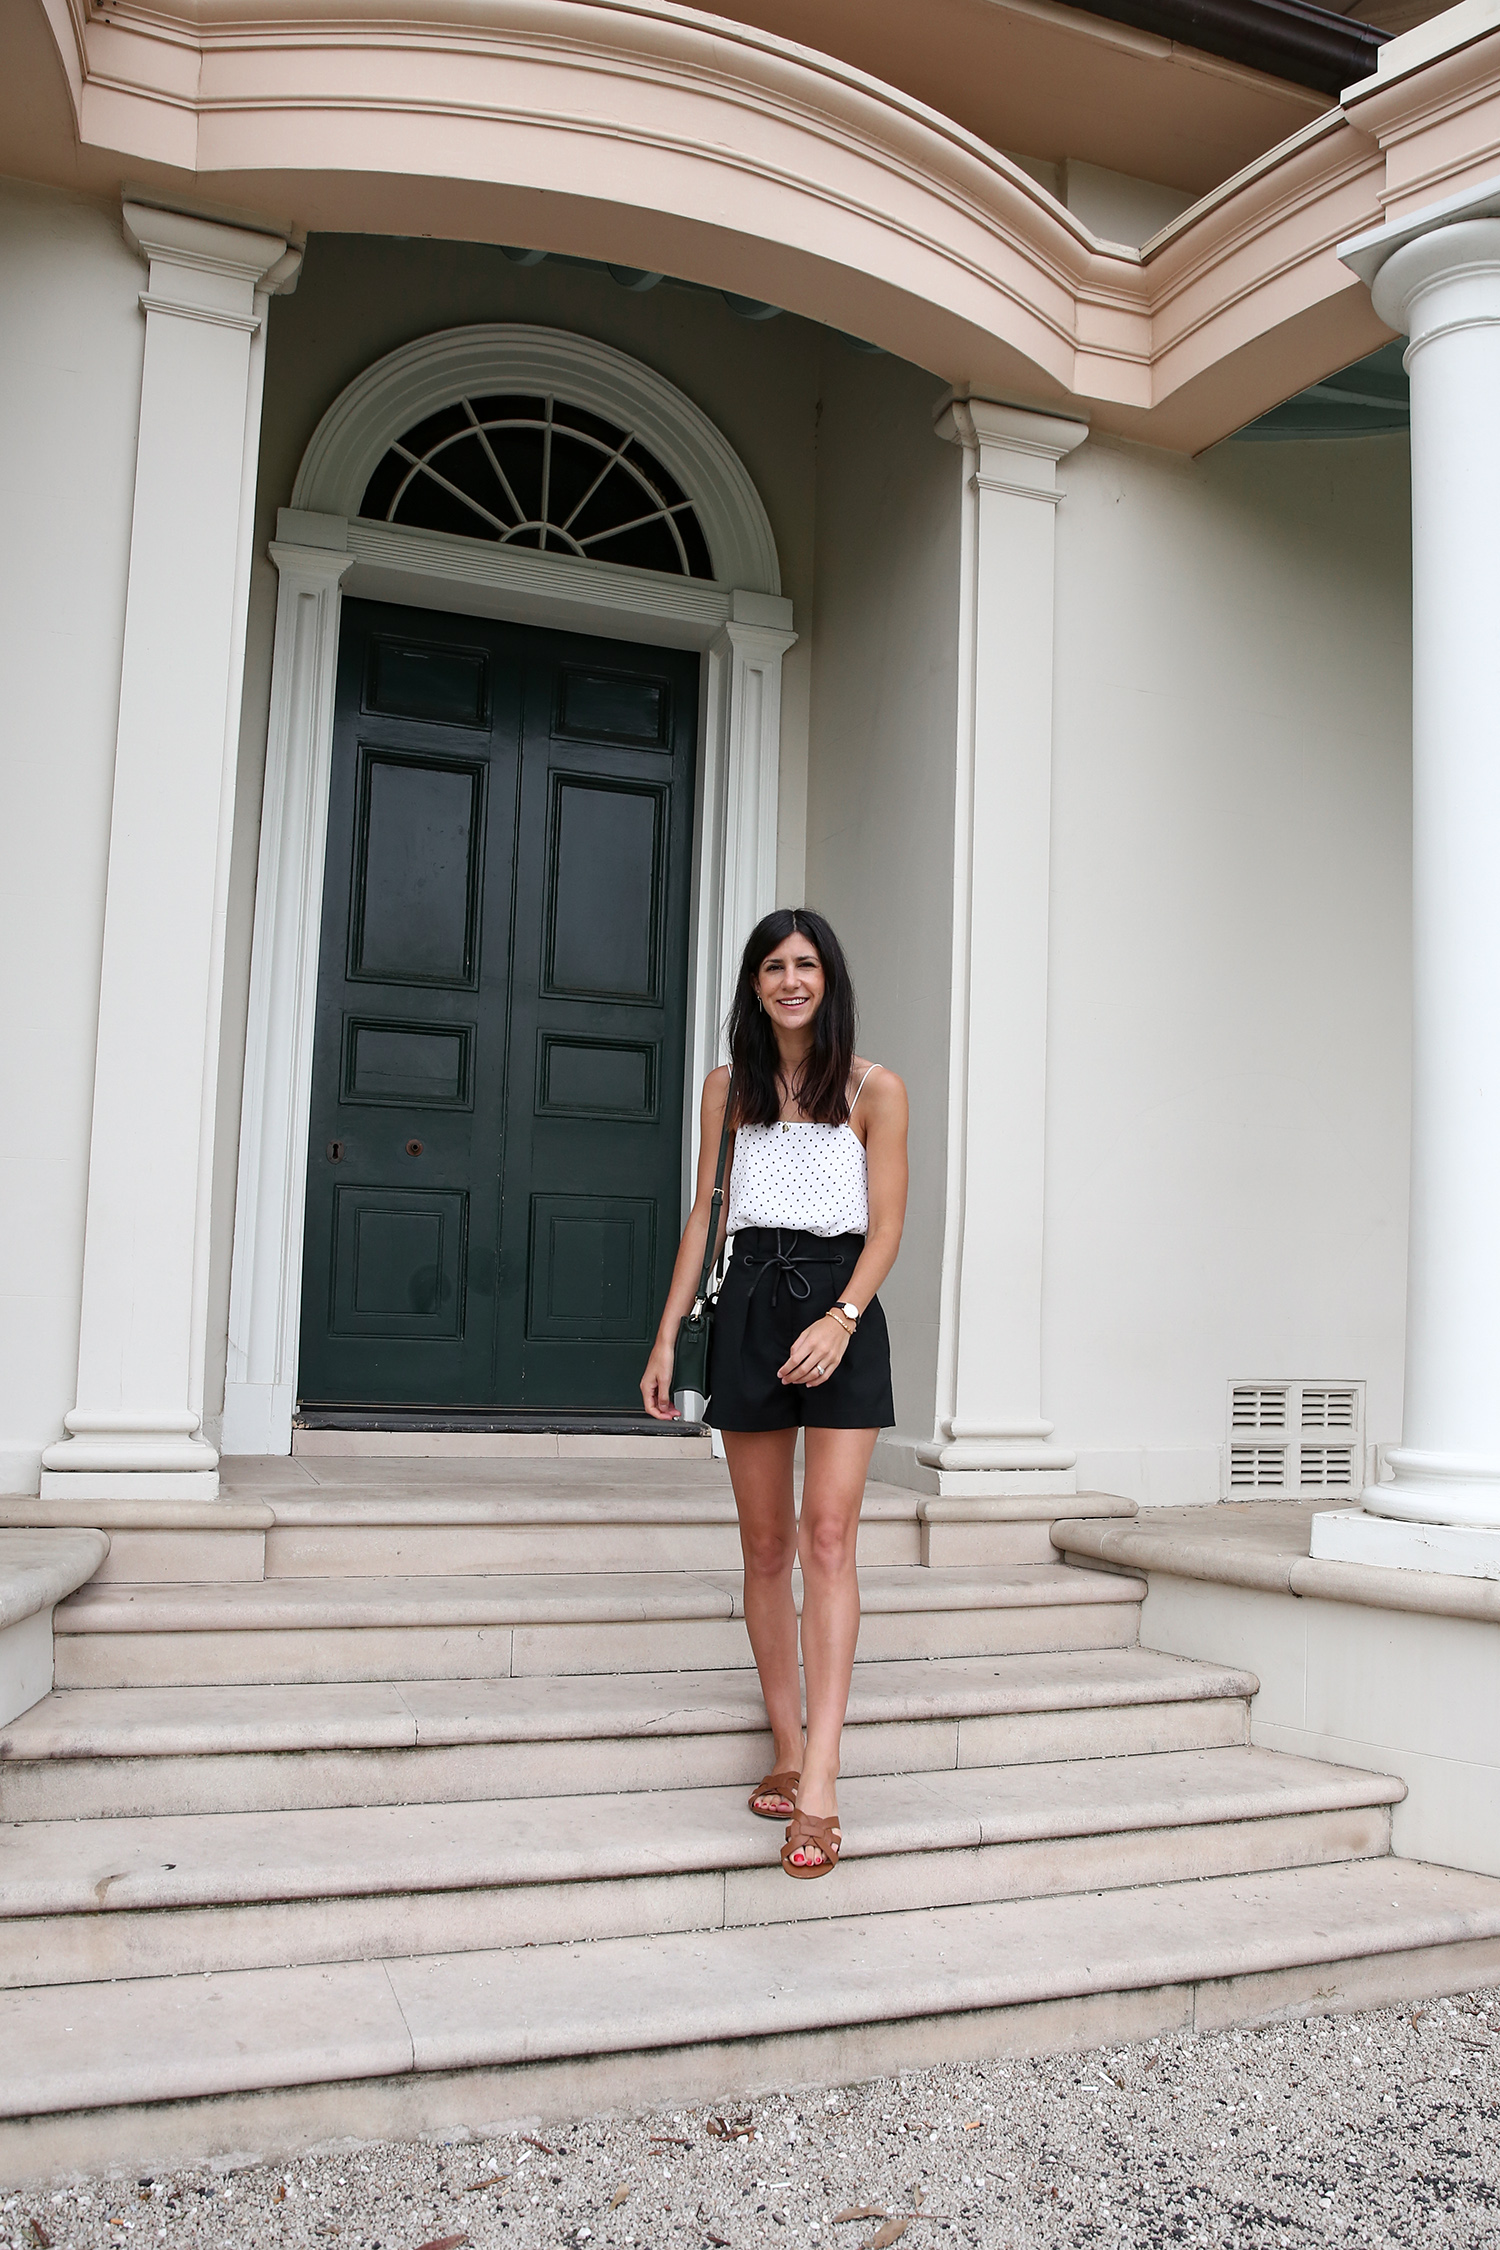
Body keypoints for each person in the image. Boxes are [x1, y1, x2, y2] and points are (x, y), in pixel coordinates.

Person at [641, 908, 909, 1878]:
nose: (791, 980)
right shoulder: (729, 1091)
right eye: (773, 967)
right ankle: (786, 1748)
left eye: (806, 964)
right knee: (765, 1546)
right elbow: (704, 1222)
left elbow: (886, 1227)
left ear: (828, 978)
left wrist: (839, 1320)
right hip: (751, 1305)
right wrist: (669, 1333)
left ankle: (825, 1782)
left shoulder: (876, 1090)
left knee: (830, 1538)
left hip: (840, 1310)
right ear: (754, 986)